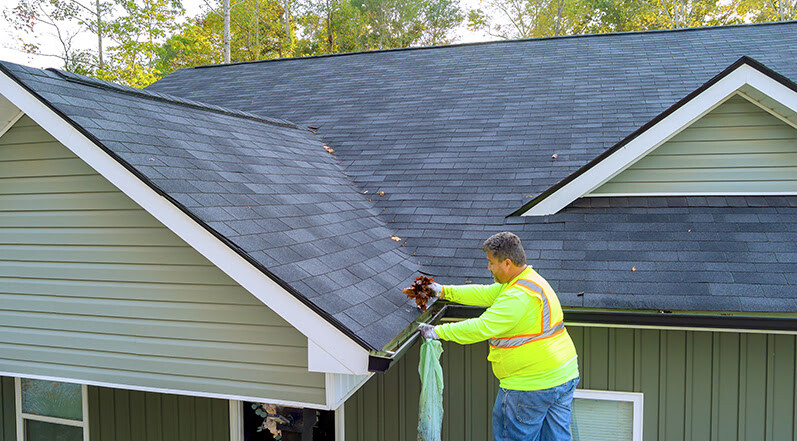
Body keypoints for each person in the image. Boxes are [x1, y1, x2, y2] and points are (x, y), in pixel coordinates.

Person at [417, 231, 579, 441]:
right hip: (564, 375)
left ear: (507, 263)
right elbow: (485, 293)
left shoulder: (518, 298)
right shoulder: (529, 281)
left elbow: (482, 327)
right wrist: (444, 291)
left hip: (531, 386)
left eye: (491, 263)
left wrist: (437, 332)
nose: (489, 268)